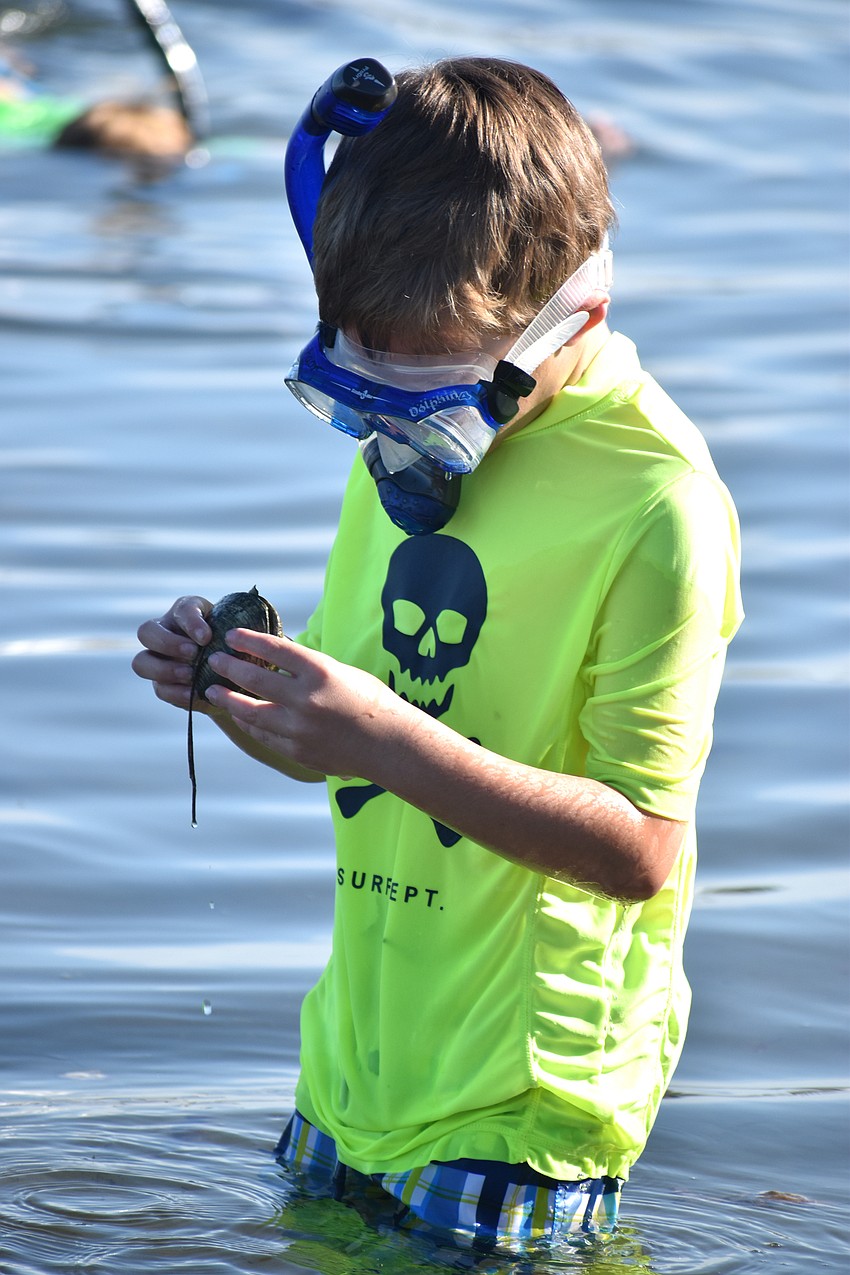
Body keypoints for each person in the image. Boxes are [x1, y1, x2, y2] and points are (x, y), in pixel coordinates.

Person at [133, 56, 743, 1251]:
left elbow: (640, 851)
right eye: (368, 391)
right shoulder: (399, 453)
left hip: (517, 1106)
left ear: (576, 315)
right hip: (352, 1071)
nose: (401, 433)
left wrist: (379, 734)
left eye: (443, 394)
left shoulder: (655, 505)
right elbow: (355, 748)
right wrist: (247, 694)